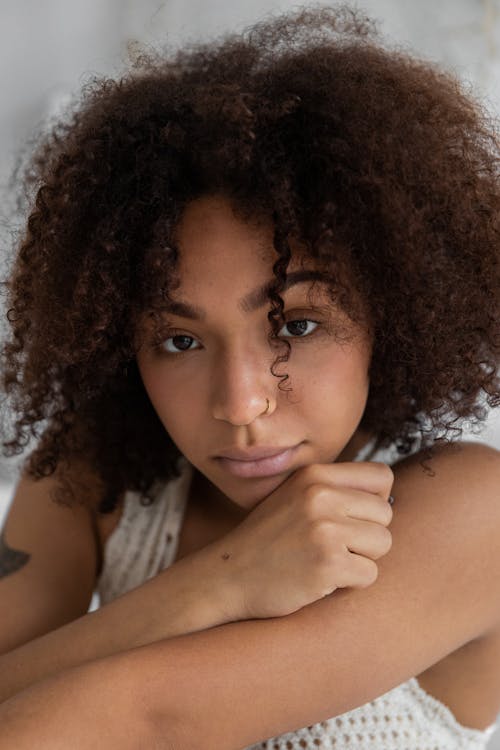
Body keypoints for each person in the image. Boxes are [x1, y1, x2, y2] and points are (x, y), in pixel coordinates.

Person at [0, 5, 499, 748]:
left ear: (392, 311)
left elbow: (146, 720)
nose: (241, 404)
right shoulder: (91, 477)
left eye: (295, 325)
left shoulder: (472, 512)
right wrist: (227, 579)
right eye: (177, 339)